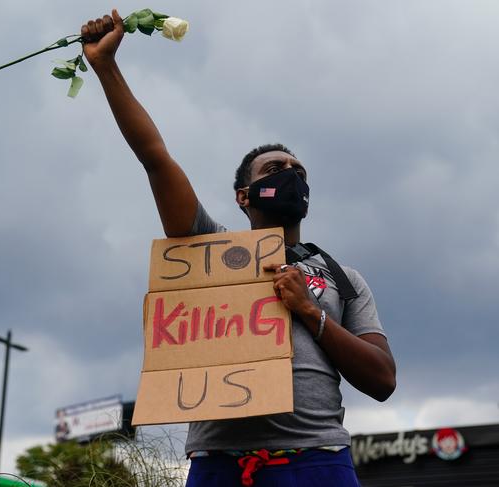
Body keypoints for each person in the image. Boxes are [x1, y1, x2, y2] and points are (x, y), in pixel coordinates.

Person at [80, 10, 396, 487]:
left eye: (299, 170)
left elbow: (383, 380)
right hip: (220, 464)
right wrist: (106, 68)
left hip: (318, 460)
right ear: (243, 196)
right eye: (274, 169)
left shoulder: (344, 279)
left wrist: (312, 313)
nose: (291, 174)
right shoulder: (208, 248)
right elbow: (155, 158)